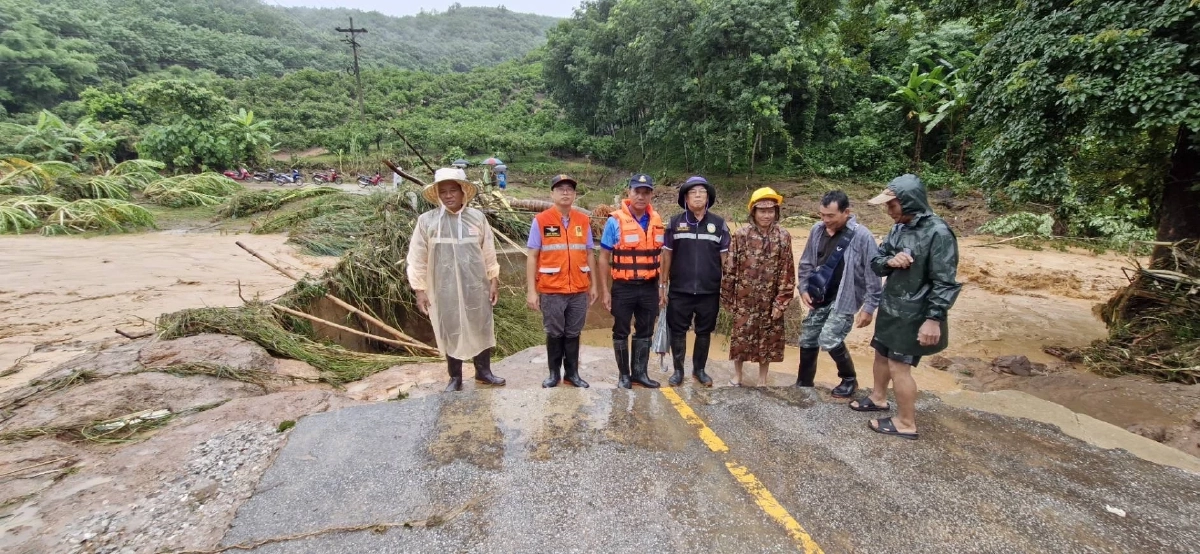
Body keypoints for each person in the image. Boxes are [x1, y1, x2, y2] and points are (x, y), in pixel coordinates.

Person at [850, 174, 961, 440]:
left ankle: (906, 422)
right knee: (880, 353)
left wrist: (933, 318)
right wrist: (891, 261)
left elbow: (945, 281)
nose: (889, 211)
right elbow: (876, 260)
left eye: (892, 205)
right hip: (892, 305)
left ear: (909, 202)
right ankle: (878, 398)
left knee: (900, 365)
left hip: (915, 312)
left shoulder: (939, 233)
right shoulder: (899, 228)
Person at [406, 167, 507, 392]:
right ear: (438, 195)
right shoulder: (427, 222)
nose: (448, 195)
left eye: (453, 190)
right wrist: (419, 289)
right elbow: (417, 257)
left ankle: (483, 372)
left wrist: (493, 280)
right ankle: (455, 377)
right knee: (449, 327)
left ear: (463, 192)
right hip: (443, 287)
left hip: (476, 285)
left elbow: (488, 251)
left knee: (480, 325)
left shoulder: (477, 218)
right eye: (443, 192)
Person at [795, 190, 883, 398]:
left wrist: (869, 307)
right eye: (822, 215)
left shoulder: (862, 236)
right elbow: (806, 262)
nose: (826, 220)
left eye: (831, 216)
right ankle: (804, 381)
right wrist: (803, 288)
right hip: (819, 294)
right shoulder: (817, 230)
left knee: (830, 337)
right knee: (808, 337)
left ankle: (849, 379)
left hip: (846, 297)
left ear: (846, 212)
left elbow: (873, 274)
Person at [526, 174, 597, 388]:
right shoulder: (541, 220)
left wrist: (593, 284)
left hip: (578, 289)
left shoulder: (583, 221)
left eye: (569, 189)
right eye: (560, 188)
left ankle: (572, 374)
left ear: (575, 194)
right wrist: (532, 290)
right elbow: (532, 255)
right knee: (555, 332)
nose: (565, 192)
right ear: (552, 194)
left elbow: (589, 253)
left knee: (574, 332)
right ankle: (553, 374)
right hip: (552, 289)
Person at [721, 188, 795, 386]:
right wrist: (728, 298)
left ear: (776, 212)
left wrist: (781, 303)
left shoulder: (783, 236)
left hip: (770, 300)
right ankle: (738, 375)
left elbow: (787, 272)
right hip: (744, 299)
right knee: (740, 338)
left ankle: (762, 379)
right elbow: (730, 268)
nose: (767, 215)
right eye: (762, 211)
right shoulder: (741, 235)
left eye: (771, 210)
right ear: (753, 212)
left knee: (768, 340)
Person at [659, 176, 730, 387]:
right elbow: (666, 255)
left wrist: (727, 285)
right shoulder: (675, 223)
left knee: (704, 331)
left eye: (702, 191)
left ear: (708, 197)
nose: (698, 195)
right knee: (678, 330)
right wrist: (663, 285)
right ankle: (678, 371)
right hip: (680, 289)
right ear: (685, 198)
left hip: (709, 290)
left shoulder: (719, 224)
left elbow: (726, 258)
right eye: (693, 192)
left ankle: (699, 370)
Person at [598, 173, 666, 389]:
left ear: (651, 195)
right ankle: (623, 376)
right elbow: (603, 258)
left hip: (649, 286)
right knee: (621, 330)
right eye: (637, 191)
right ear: (629, 193)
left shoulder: (657, 221)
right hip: (623, 287)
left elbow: (662, 256)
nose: (641, 196)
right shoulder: (614, 221)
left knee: (645, 330)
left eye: (646, 192)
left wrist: (662, 287)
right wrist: (605, 291)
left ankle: (640, 374)